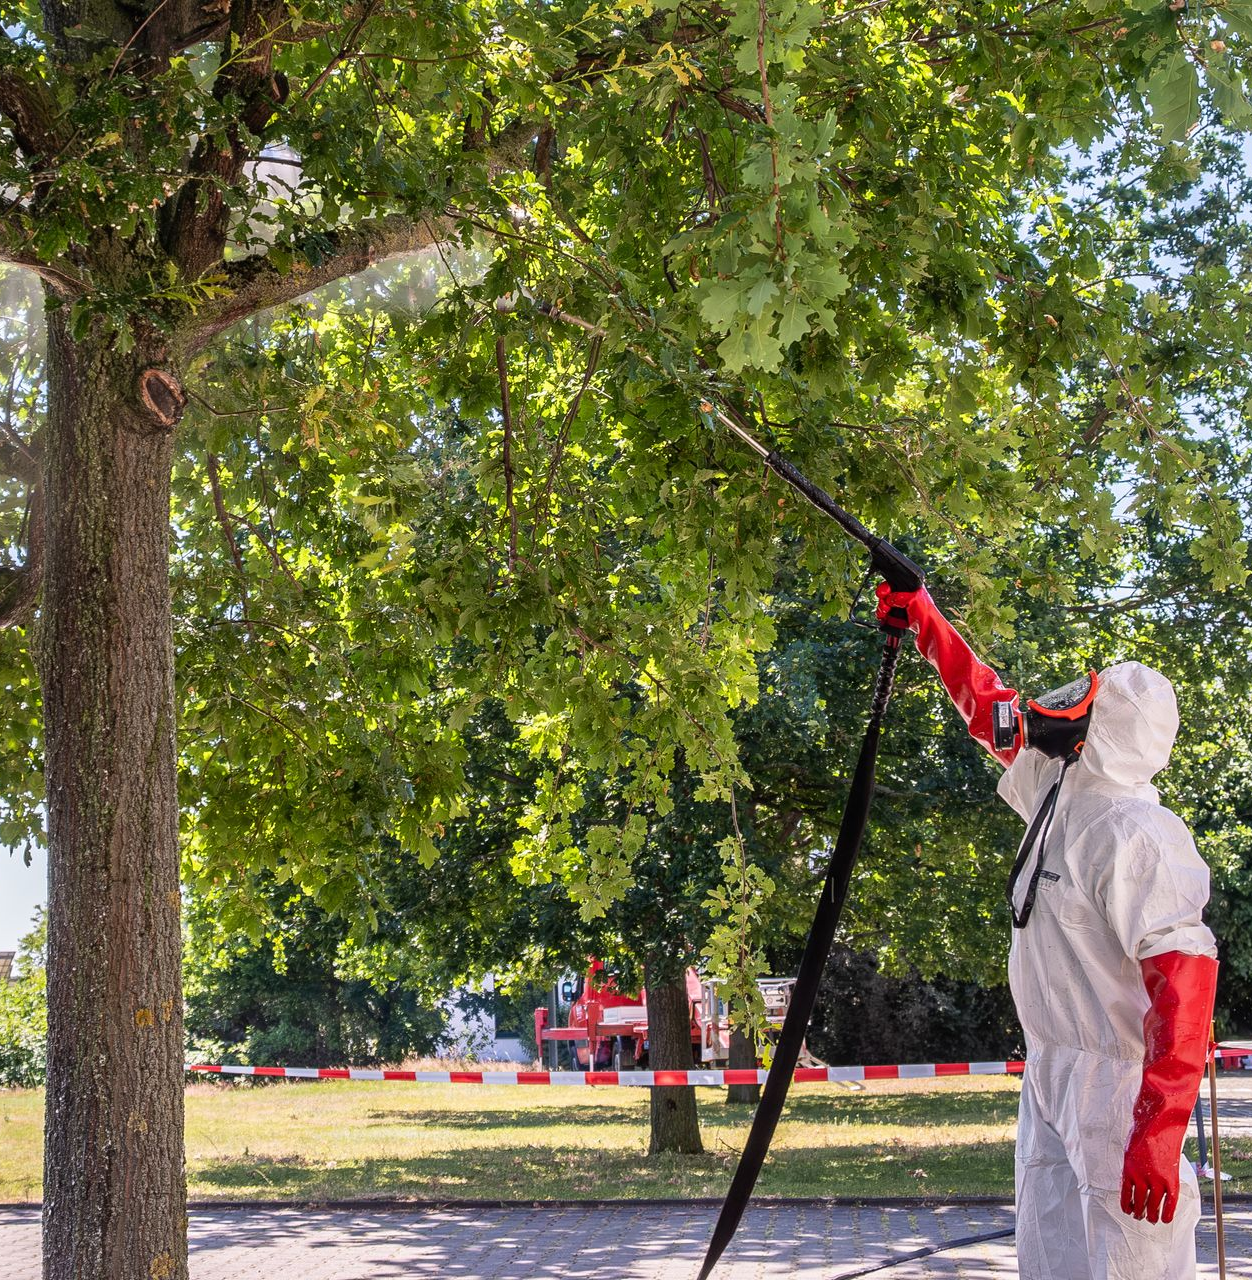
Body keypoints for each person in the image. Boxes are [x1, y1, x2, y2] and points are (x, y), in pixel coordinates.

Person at [875, 581, 1219, 1280]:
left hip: (1120, 1085)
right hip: (1050, 1069)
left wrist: (1157, 1131)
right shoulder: (1058, 792)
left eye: (1083, 700)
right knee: (1050, 1252)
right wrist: (925, 616)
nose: (1063, 702)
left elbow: (1187, 984)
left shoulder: (1138, 835)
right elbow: (986, 708)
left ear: (1106, 729)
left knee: (1135, 1262)